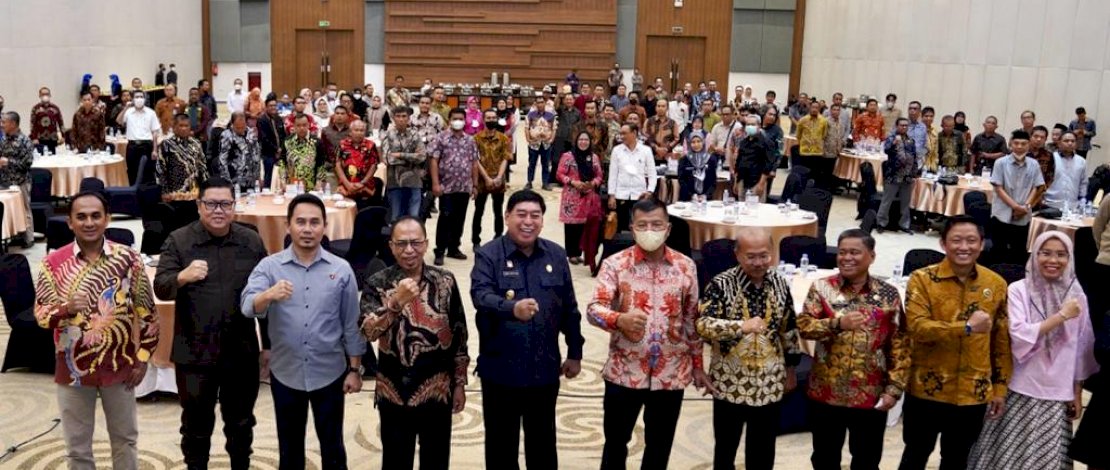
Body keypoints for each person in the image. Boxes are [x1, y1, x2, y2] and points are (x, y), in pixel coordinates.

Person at [241, 194, 366, 470]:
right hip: (285, 372)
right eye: (300, 222)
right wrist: (268, 295)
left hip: (330, 372)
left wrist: (355, 370)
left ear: (324, 226)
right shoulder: (269, 267)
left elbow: (350, 324)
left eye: (314, 222)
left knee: (333, 447)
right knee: (290, 449)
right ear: (288, 226)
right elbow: (248, 306)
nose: (307, 229)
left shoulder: (341, 270)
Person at [34, 191, 157, 469]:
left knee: (125, 441)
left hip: (121, 366)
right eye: (81, 217)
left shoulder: (129, 259)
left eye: (95, 216)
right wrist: (66, 308)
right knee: (77, 449)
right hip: (73, 371)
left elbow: (148, 312)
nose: (89, 222)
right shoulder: (52, 264)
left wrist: (143, 357)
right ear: (70, 222)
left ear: (107, 219)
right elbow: (41, 316)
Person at [154, 177, 268, 470]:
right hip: (194, 354)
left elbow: (266, 299)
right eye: (211, 204)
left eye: (225, 204)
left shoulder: (251, 241)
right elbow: (161, 288)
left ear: (234, 206)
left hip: (240, 352)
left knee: (241, 425)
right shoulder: (178, 240)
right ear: (198, 206)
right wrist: (182, 276)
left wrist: (268, 346)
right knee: (195, 427)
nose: (218, 210)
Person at [589, 197, 709, 470]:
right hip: (624, 372)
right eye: (643, 225)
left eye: (657, 224)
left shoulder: (685, 267)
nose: (650, 230)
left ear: (668, 229)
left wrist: (698, 366)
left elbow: (692, 320)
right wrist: (619, 319)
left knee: (659, 446)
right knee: (616, 442)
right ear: (632, 229)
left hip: (671, 374)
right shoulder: (614, 264)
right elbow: (594, 309)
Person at [471, 190, 585, 470]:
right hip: (500, 371)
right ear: (506, 217)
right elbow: (480, 296)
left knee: (543, 444)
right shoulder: (488, 255)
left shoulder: (556, 255)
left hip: (544, 371)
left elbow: (569, 308)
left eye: (535, 215)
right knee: (501, 446)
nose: (528, 222)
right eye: (521, 215)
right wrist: (512, 309)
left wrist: (575, 352)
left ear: (543, 221)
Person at [967, 231, 1098, 469]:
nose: (1053, 260)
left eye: (1061, 254)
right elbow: (1018, 334)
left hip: (1057, 392)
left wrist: (1077, 391)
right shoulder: (1019, 290)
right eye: (1045, 253)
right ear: (1034, 255)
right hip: (1019, 386)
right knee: (1006, 456)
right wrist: (1061, 316)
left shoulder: (1077, 296)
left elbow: (1081, 348)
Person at [898, 215, 1012, 470]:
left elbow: (1001, 342)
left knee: (958, 459)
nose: (964, 247)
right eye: (956, 240)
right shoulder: (922, 279)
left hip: (973, 392)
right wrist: (967, 327)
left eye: (971, 240)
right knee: (915, 454)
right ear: (943, 243)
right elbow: (917, 328)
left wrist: (1001, 387)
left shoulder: (995, 284)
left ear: (981, 244)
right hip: (926, 388)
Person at [359, 216, 469, 470]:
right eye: (402, 244)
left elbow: (459, 336)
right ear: (391, 246)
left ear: (426, 243)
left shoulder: (445, 281)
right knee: (396, 460)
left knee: (437, 459)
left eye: (416, 243)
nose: (409, 250)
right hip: (394, 390)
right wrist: (394, 304)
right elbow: (368, 333)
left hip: (437, 388)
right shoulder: (378, 282)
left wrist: (459, 383)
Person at [798, 229, 909, 470]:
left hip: (870, 393)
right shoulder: (822, 288)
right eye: (842, 252)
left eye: (855, 252)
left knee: (867, 460)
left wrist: (894, 389)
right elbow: (804, 327)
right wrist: (837, 324)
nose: (846, 257)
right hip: (826, 391)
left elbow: (900, 345)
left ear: (871, 256)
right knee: (824, 458)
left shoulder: (889, 294)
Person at [697, 227, 801, 470]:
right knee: (725, 447)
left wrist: (791, 369)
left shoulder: (780, 283)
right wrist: (739, 326)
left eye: (764, 255)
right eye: (751, 256)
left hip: (769, 381)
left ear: (773, 253)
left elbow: (789, 328)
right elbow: (703, 325)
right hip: (730, 381)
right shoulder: (720, 285)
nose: (758, 262)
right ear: (737, 254)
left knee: (764, 449)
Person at [429, 107, 478, 265]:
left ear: (465, 121)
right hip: (446, 187)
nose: (458, 121)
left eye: (461, 119)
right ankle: (440, 250)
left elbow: (474, 163)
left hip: (464, 187)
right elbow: (434, 161)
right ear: (449, 120)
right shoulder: (440, 138)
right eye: (455, 118)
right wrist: (435, 183)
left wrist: (475, 185)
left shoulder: (470, 140)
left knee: (459, 219)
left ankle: (454, 248)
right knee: (445, 217)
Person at [989, 130, 1046, 263]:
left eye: (1023, 144)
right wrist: (1015, 207)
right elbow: (998, 188)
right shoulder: (1000, 163)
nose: (1019, 146)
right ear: (1010, 144)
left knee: (1019, 251)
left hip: (1023, 215)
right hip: (1001, 213)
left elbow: (1037, 187)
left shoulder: (1034, 164)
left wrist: (1026, 207)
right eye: (1016, 143)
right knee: (999, 250)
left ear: (1029, 144)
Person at [556, 130, 604, 267]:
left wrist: (592, 183)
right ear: (576, 141)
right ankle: (572, 254)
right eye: (581, 140)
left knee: (584, 226)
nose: (583, 142)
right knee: (571, 227)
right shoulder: (568, 156)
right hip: (571, 196)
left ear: (590, 142)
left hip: (587, 196)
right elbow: (559, 174)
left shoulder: (593, 157)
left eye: (586, 140)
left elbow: (599, 175)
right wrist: (572, 182)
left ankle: (581, 253)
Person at [157, 114, 208, 225]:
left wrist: (206, 190)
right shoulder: (166, 145)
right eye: (181, 125)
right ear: (174, 126)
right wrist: (164, 191)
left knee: (195, 226)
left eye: (187, 126)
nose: (184, 128)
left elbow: (202, 168)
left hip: (194, 194)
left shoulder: (196, 144)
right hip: (175, 195)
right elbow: (161, 170)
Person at [472, 109, 512, 250]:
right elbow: (475, 160)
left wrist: (499, 177)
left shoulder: (504, 138)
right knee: (479, 211)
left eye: (493, 117)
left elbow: (505, 158)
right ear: (483, 120)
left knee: (498, 210)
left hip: (498, 180)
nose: (491, 120)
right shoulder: (476, 138)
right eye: (488, 117)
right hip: (482, 181)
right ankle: (476, 240)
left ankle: (498, 237)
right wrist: (487, 178)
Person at [607, 123, 657, 231]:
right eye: (621, 134)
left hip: (640, 195)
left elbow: (652, 173)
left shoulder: (646, 150)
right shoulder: (617, 150)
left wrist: (650, 191)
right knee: (621, 227)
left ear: (634, 133)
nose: (622, 136)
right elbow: (613, 174)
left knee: (639, 226)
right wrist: (611, 195)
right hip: (621, 194)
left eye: (624, 133)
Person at [382, 105, 426, 220]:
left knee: (413, 217)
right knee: (395, 217)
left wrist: (401, 154)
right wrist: (411, 157)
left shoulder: (415, 135)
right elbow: (388, 159)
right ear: (393, 118)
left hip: (414, 181)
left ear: (409, 118)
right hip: (395, 182)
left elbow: (421, 157)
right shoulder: (387, 135)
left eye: (404, 116)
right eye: (398, 116)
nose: (401, 119)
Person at [877, 118, 919, 234]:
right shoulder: (891, 138)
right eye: (902, 125)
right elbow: (886, 150)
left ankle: (904, 224)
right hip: (893, 175)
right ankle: (881, 223)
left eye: (906, 126)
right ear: (897, 126)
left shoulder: (911, 140)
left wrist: (915, 172)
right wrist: (893, 144)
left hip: (907, 176)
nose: (904, 127)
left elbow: (914, 157)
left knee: (905, 202)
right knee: (887, 201)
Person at [0, 112, 35, 247]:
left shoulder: (24, 140)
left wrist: (8, 162)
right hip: (5, 181)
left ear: (13, 124)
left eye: (4, 122)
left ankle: (29, 238)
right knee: (11, 210)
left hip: (21, 181)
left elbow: (27, 163)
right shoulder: (3, 139)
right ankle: (14, 236)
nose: (2, 125)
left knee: (25, 209)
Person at [119, 91, 162, 184]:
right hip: (132, 146)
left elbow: (155, 132)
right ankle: (133, 194)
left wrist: (154, 150)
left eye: (141, 97)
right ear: (133, 99)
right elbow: (119, 121)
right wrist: (126, 107)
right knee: (131, 172)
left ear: (144, 99)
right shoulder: (129, 112)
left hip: (147, 146)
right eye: (136, 97)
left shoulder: (151, 113)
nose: (139, 99)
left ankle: (147, 195)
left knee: (148, 172)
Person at [335, 119, 380, 205]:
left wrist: (362, 183)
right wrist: (347, 184)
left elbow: (374, 165)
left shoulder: (371, 145)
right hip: (345, 186)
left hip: (365, 187)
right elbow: (337, 165)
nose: (359, 133)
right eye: (356, 130)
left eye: (361, 130)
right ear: (350, 132)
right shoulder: (342, 144)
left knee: (364, 214)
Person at [278, 113, 325, 191]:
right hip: (291, 186)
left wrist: (319, 182)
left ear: (309, 125)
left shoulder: (317, 142)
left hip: (311, 186)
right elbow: (282, 162)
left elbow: (321, 164)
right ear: (294, 126)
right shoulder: (287, 141)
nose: (301, 128)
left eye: (304, 125)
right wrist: (283, 181)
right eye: (298, 125)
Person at [1042, 132, 1088, 212]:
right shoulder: (1050, 158)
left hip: (1072, 207)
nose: (1070, 143)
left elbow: (1083, 183)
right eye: (1066, 141)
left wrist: (1082, 200)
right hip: (1050, 204)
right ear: (1059, 143)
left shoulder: (1081, 161)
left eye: (1073, 141)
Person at [733, 115, 775, 200]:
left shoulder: (766, 142)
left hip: (757, 181)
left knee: (755, 209)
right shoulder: (743, 142)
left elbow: (768, 165)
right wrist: (736, 182)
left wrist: (761, 184)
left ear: (759, 126)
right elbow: (738, 163)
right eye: (748, 124)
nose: (750, 126)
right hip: (742, 179)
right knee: (741, 208)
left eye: (753, 124)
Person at [218, 112, 262, 191]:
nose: (241, 130)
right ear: (232, 124)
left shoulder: (251, 133)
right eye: (238, 127)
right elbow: (222, 160)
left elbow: (256, 155)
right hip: (235, 179)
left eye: (243, 126)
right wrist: (227, 182)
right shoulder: (226, 135)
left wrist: (258, 176)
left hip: (251, 178)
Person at [551, 94, 582, 189]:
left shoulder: (578, 112)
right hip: (560, 137)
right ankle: (555, 178)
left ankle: (567, 179)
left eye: (570, 99)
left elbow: (579, 125)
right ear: (564, 101)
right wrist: (560, 95)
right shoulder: (560, 110)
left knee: (570, 160)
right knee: (556, 159)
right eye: (567, 99)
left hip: (572, 139)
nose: (569, 101)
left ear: (574, 101)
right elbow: (555, 105)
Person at [678, 130, 718, 202]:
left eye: (698, 141)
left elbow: (713, 181)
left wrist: (705, 195)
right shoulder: (684, 160)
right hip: (687, 198)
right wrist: (692, 195)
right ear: (689, 143)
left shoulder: (711, 159)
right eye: (693, 142)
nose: (696, 144)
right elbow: (682, 180)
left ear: (703, 142)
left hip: (706, 200)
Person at [795, 101, 829, 185]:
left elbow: (824, 135)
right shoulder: (803, 120)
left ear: (819, 109)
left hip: (817, 152)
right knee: (803, 173)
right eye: (813, 107)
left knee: (815, 174)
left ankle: (812, 192)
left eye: (816, 108)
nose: (814, 109)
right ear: (809, 108)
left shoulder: (823, 121)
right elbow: (798, 135)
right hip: (805, 152)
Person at [525, 98, 556, 190]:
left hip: (546, 143)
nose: (540, 104)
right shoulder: (531, 114)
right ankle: (529, 182)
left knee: (545, 164)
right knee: (531, 164)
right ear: (535, 104)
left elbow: (554, 128)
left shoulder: (551, 115)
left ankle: (545, 183)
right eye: (538, 102)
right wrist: (528, 139)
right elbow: (526, 127)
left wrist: (551, 140)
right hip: (534, 143)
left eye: (542, 102)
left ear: (545, 103)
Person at [320, 105, 352, 190]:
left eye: (342, 113)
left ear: (347, 116)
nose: (339, 116)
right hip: (330, 169)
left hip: (348, 170)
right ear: (333, 115)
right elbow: (322, 151)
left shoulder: (352, 131)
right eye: (337, 113)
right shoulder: (325, 131)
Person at [258, 96, 288, 187]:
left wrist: (281, 149)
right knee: (269, 177)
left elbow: (283, 135)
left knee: (282, 176)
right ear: (266, 107)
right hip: (268, 153)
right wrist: (276, 149)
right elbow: (264, 138)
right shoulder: (262, 120)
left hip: (281, 152)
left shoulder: (279, 119)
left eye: (275, 105)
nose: (273, 107)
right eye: (270, 106)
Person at [30, 86, 65, 154]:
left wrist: (63, 136)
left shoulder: (55, 108)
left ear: (50, 95)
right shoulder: (35, 108)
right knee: (41, 159)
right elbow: (32, 124)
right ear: (39, 95)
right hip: (40, 139)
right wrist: (34, 138)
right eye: (43, 94)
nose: (45, 96)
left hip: (53, 138)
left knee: (53, 159)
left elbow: (61, 122)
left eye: (47, 94)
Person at [1030, 125, 1055, 190]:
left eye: (1042, 137)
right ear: (1030, 137)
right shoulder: (1022, 153)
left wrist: (1043, 189)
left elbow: (1050, 176)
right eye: (1036, 136)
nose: (1038, 139)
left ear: (1045, 139)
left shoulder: (1049, 156)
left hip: (1039, 193)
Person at [921, 106, 939, 173]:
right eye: (926, 116)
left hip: (932, 167)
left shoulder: (935, 131)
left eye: (931, 116)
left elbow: (936, 150)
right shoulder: (917, 130)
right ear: (921, 116)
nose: (929, 118)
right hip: (921, 166)